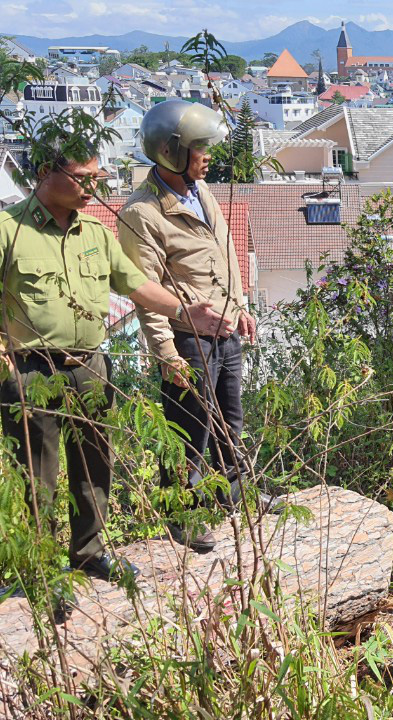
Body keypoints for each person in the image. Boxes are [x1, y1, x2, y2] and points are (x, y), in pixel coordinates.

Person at [0, 145, 232, 581]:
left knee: (94, 469)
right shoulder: (2, 232)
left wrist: (187, 313)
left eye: (97, 177)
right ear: (47, 172)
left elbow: (138, 285)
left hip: (90, 367)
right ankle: (43, 573)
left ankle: (89, 556)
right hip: (32, 372)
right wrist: (5, 369)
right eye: (82, 177)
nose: (94, 187)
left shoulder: (96, 233)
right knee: (37, 481)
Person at [119, 100, 276, 554]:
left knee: (231, 421)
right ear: (171, 151)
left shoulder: (201, 193)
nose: (208, 155)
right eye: (199, 147)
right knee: (189, 428)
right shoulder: (142, 213)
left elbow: (226, 253)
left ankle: (237, 493)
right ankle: (182, 514)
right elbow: (144, 290)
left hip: (225, 331)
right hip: (187, 338)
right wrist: (166, 353)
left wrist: (241, 303)